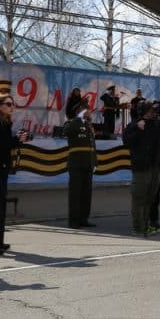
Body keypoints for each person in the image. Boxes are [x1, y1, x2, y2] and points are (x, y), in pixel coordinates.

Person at [0, 94, 31, 255]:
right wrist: (16, 140)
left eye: (12, 104)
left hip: (0, 169)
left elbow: (6, 145)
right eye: (8, 104)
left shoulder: (3, 123)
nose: (11, 107)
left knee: (0, 208)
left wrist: (18, 139)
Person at [122, 101, 160, 235]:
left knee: (149, 198)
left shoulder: (155, 125)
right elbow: (127, 142)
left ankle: (145, 225)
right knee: (139, 198)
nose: (154, 112)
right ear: (146, 111)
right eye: (152, 110)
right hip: (141, 167)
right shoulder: (134, 125)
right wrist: (138, 130)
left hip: (154, 167)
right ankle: (138, 227)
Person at [64, 98, 97, 229]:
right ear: (82, 111)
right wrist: (78, 117)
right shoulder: (73, 123)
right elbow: (66, 131)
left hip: (88, 164)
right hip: (76, 164)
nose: (91, 112)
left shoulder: (88, 126)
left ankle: (84, 219)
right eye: (88, 110)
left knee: (86, 194)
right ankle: (74, 221)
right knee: (75, 194)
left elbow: (92, 146)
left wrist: (95, 162)